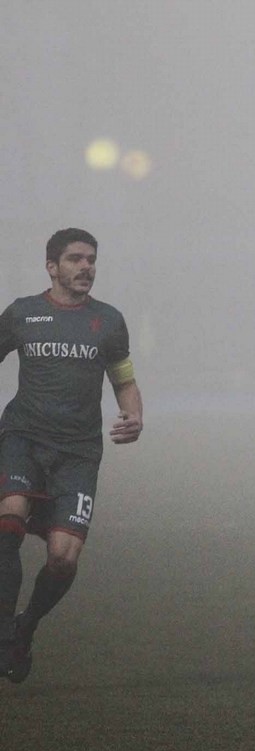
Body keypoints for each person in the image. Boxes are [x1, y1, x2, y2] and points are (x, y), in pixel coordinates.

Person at [0, 228, 144, 683]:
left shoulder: (108, 321)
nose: (86, 267)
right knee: (9, 522)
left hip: (78, 453)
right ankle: (3, 635)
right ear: (52, 267)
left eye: (92, 259)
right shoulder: (22, 314)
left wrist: (134, 415)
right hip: (23, 437)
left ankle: (26, 627)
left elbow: (123, 379)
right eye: (76, 259)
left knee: (63, 559)